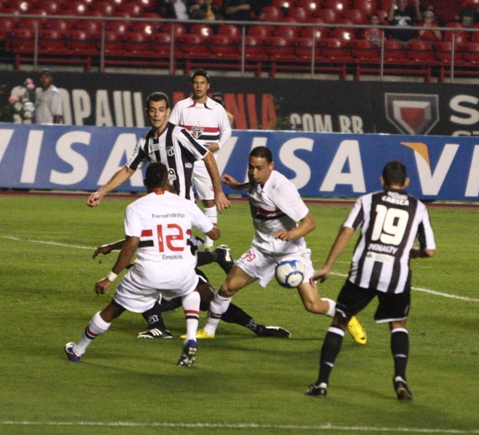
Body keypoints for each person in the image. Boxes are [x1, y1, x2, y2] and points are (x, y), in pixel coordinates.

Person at [199, 146, 367, 344]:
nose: (254, 172)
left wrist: (290, 234)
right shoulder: (256, 178)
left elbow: (310, 222)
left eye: (259, 168)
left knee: (313, 305)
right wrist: (237, 186)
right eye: (251, 167)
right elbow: (254, 187)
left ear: (271, 166)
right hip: (262, 249)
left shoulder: (282, 190)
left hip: (290, 251)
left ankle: (347, 317)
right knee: (227, 288)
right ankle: (209, 330)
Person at [65, 163, 221, 366]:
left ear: (145, 182)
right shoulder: (185, 204)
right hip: (181, 271)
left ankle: (78, 350)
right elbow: (214, 234)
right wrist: (210, 225)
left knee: (113, 310)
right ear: (168, 181)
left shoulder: (135, 207)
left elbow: (133, 244)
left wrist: (110, 278)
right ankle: (191, 337)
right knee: (191, 288)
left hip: (150, 273)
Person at [305, 161, 436, 399]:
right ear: (406, 182)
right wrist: (409, 252)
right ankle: (400, 379)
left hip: (363, 273)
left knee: (339, 322)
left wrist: (328, 266)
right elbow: (429, 250)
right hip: (397, 276)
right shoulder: (418, 207)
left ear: (382, 181)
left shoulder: (367, 200)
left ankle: (322, 383)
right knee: (398, 324)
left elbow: (347, 231)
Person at [92, 238, 290, 339]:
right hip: (167, 277)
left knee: (212, 301)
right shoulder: (164, 214)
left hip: (184, 275)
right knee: (142, 287)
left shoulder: (172, 212)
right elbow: (138, 239)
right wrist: (112, 246)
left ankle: (258, 328)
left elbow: (209, 233)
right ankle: (158, 327)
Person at [86, 91, 229, 213]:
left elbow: (208, 156)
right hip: (158, 205)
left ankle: (200, 244)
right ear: (146, 112)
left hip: (181, 206)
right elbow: (128, 170)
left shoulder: (179, 134)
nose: (156, 115)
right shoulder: (145, 141)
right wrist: (101, 192)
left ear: (168, 112)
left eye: (161, 110)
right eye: (153, 110)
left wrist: (218, 191)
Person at [168, 70, 232, 251]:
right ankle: (184, 239)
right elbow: (170, 130)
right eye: (196, 83)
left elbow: (227, 130)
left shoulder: (216, 108)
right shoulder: (181, 106)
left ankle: (210, 245)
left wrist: (218, 145)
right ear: (191, 85)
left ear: (208, 85)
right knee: (183, 200)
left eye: (202, 83)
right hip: (184, 160)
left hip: (206, 163)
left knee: (209, 200)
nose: (198, 86)